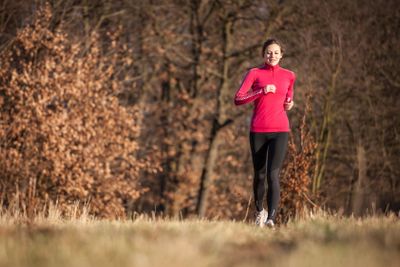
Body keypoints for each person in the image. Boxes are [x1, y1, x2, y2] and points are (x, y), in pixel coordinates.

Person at [234, 38, 295, 228]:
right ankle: (260, 212)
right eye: (269, 52)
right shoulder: (254, 73)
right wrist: (261, 91)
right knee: (259, 174)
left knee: (273, 174)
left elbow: (289, 96)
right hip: (258, 130)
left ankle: (271, 219)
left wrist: (290, 104)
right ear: (263, 54)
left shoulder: (289, 75)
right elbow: (238, 99)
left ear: (281, 55)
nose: (272, 55)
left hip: (280, 130)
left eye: (276, 52)